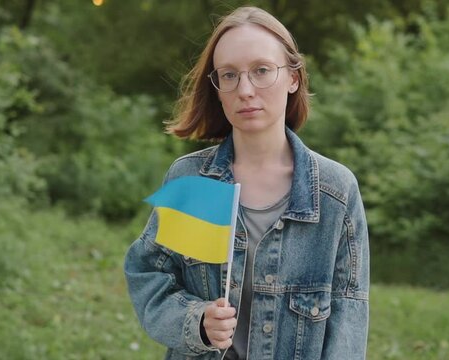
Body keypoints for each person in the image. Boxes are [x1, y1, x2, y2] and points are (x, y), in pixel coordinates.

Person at [124, 6, 369, 360]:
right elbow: (148, 274)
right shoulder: (192, 182)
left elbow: (349, 316)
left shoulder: (336, 192)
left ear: (293, 78)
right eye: (229, 75)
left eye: (262, 71)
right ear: (218, 88)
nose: (245, 89)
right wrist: (197, 321)